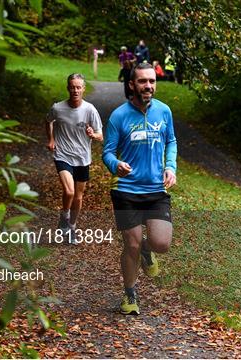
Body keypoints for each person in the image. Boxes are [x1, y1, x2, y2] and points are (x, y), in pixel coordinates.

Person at [102, 63, 177, 315]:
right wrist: (116, 165)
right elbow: (108, 152)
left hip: (156, 189)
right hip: (126, 190)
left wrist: (171, 167)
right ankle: (129, 294)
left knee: (162, 243)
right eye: (143, 81)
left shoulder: (164, 111)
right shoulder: (119, 116)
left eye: (152, 81)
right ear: (132, 85)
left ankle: (148, 249)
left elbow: (171, 141)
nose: (148, 86)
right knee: (131, 245)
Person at [46, 73, 103, 243]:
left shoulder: (90, 110)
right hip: (62, 154)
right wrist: (51, 139)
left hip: (82, 158)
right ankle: (65, 215)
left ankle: (71, 226)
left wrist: (93, 134)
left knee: (78, 197)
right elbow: (48, 121)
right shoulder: (58, 108)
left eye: (78, 87)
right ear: (68, 88)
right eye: (72, 87)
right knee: (69, 191)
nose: (75, 90)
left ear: (83, 89)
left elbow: (101, 136)